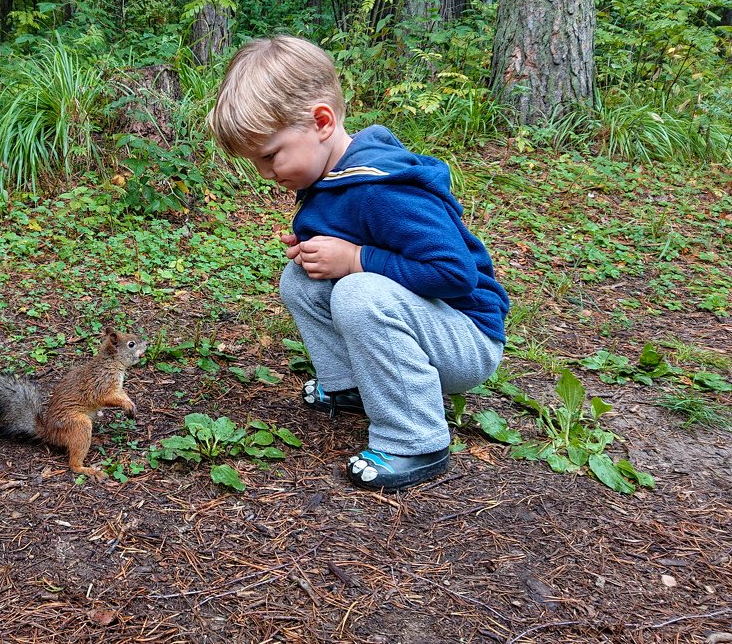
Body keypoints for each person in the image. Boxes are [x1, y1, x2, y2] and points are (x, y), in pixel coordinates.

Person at [207, 35, 509, 492]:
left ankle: (416, 440)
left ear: (322, 122)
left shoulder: (383, 188)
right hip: (427, 327)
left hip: (466, 339)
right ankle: (351, 387)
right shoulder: (334, 175)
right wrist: (318, 246)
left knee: (356, 290)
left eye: (271, 155)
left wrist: (354, 259)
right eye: (257, 162)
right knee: (301, 280)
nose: (266, 173)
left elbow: (453, 274)